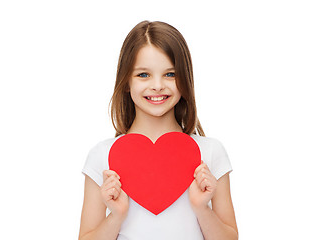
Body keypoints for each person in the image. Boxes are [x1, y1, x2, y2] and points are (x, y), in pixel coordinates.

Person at [78, 20, 238, 240]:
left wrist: (202, 208)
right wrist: (116, 215)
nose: (157, 85)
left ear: (185, 78)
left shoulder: (210, 152)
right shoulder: (102, 156)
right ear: (126, 81)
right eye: (143, 74)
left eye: (170, 74)